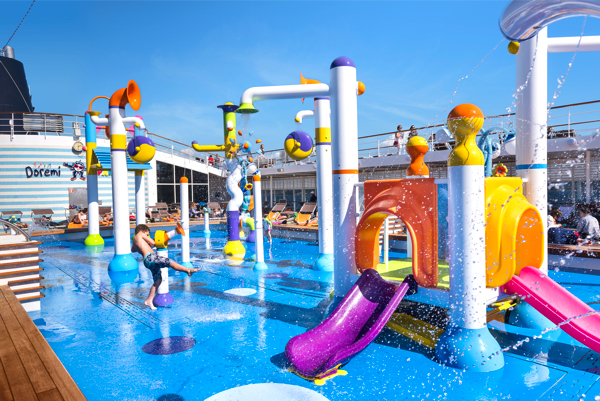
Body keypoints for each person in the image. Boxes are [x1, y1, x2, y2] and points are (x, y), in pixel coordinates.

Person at [132, 224, 200, 310]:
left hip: (147, 261)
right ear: (142, 231)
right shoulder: (140, 234)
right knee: (169, 261)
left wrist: (141, 243)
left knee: (158, 280)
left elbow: (133, 250)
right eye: (147, 234)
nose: (147, 236)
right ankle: (187, 270)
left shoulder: (135, 241)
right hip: (151, 257)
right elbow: (153, 243)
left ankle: (149, 300)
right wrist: (150, 241)